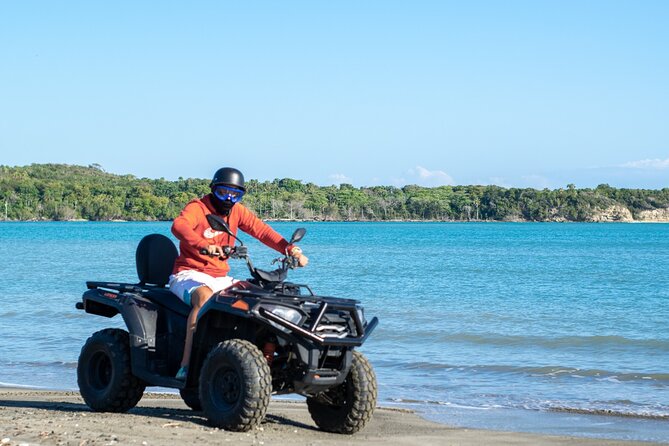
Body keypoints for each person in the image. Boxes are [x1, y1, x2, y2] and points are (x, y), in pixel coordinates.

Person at [169, 167, 308, 380]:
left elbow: (262, 231)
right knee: (204, 297)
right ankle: (186, 365)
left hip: (220, 277)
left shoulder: (237, 211)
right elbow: (179, 226)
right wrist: (203, 244)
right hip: (188, 274)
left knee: (260, 300)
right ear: (213, 189)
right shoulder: (198, 208)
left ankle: (263, 363)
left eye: (236, 194)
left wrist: (290, 250)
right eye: (223, 192)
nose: (229, 198)